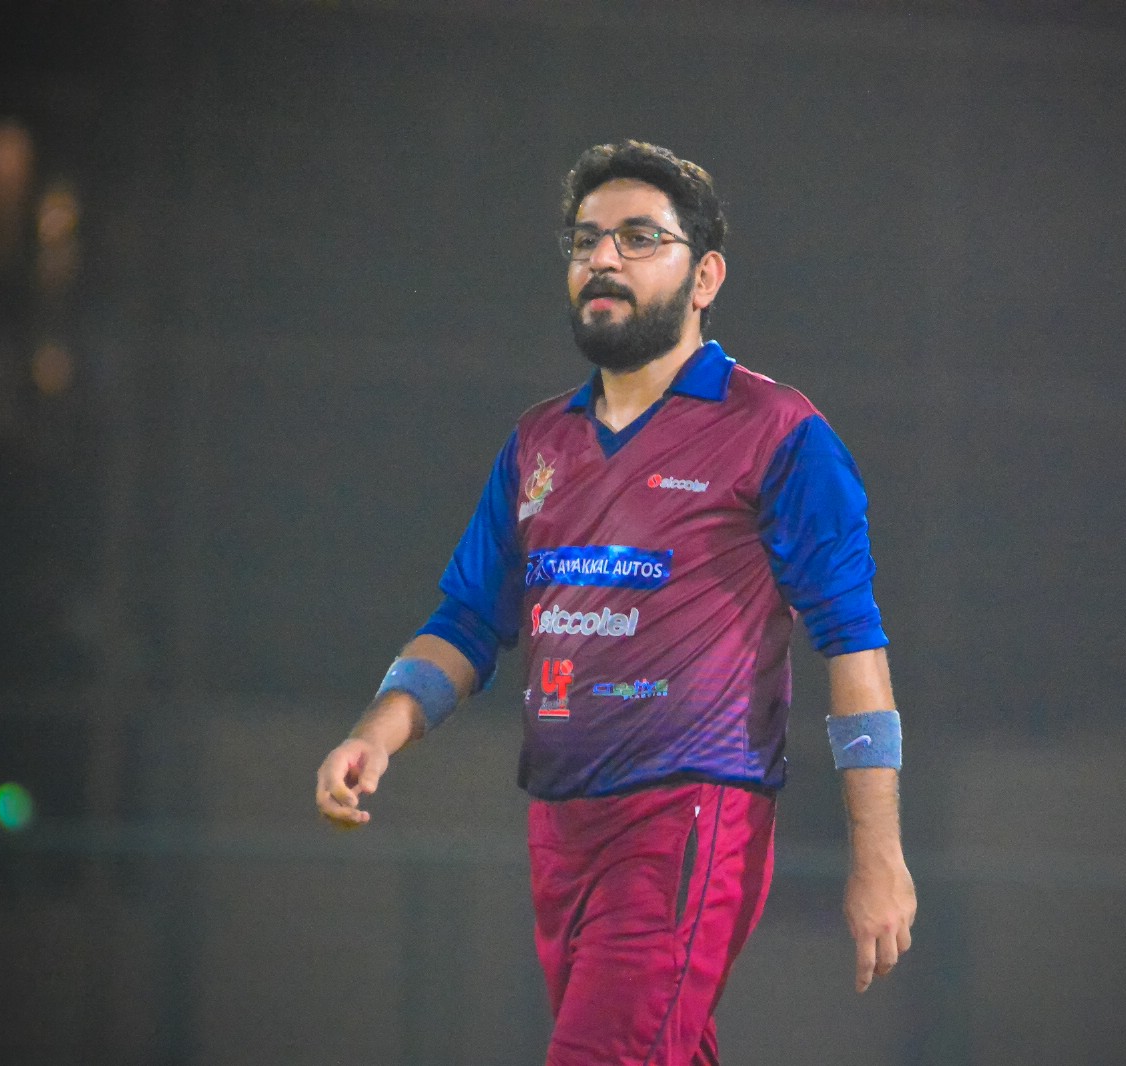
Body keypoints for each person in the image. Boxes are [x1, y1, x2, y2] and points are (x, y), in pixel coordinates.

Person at [314, 140, 916, 1066]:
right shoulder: (537, 441)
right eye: (585, 239)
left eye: (638, 238)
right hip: (559, 826)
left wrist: (878, 856)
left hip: (687, 815)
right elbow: (466, 621)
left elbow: (853, 641)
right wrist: (376, 734)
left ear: (705, 275)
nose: (602, 258)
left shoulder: (776, 432)